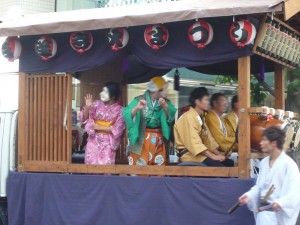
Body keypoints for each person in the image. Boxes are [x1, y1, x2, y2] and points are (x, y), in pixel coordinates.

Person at [238, 126, 300, 225]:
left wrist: (282, 202)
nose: (260, 143)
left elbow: (295, 192)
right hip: (263, 215)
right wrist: (249, 195)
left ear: (274, 143)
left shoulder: (289, 165)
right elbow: (259, 187)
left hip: (277, 215)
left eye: (264, 140)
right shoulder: (264, 163)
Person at [173, 87, 234, 167]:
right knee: (220, 167)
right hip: (189, 155)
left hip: (199, 155)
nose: (208, 102)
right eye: (206, 100)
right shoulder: (188, 117)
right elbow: (195, 144)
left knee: (229, 162)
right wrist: (213, 156)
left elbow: (209, 141)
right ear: (198, 102)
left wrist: (219, 155)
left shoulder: (200, 118)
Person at [123, 76, 176, 166]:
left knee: (158, 170)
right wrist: (136, 108)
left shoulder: (166, 102)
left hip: (158, 139)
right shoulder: (139, 99)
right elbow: (126, 114)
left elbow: (171, 116)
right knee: (139, 170)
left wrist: (166, 107)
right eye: (164, 89)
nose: (166, 92)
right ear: (157, 90)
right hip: (140, 138)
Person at [78, 82, 125, 165]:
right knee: (90, 165)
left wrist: (98, 127)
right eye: (102, 91)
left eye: (105, 92)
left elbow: (118, 130)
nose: (102, 93)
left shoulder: (120, 110)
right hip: (93, 141)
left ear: (113, 96)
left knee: (105, 167)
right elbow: (83, 118)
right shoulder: (96, 104)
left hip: (108, 143)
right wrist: (88, 107)